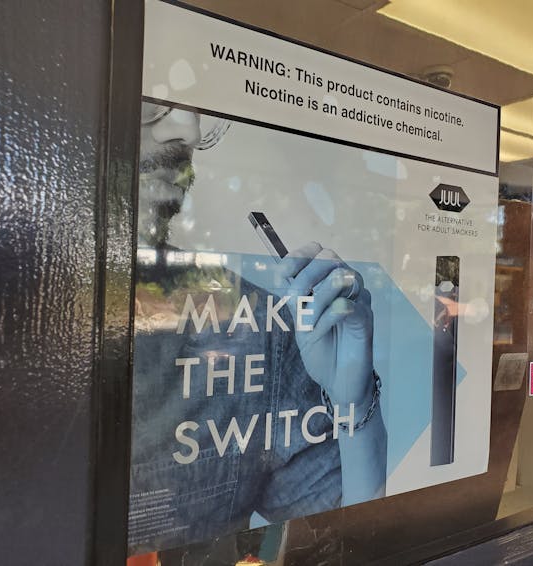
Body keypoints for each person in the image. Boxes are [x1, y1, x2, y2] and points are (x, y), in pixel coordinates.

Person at [128, 102, 387, 559]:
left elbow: (348, 541)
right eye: (155, 99)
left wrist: (356, 400)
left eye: (197, 107)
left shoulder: (256, 328)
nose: (187, 127)